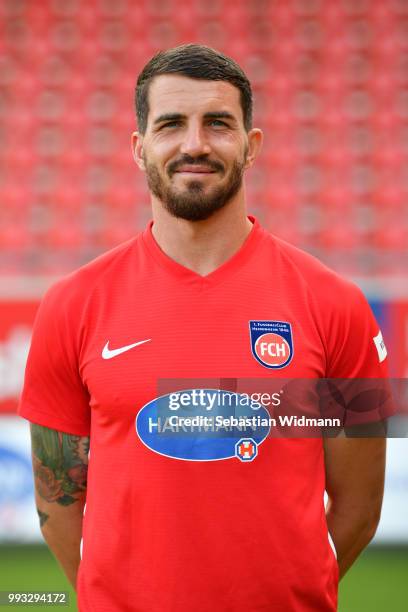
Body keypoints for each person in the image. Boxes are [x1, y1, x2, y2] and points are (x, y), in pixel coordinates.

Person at [19, 44, 389, 612]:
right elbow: (57, 502)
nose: (195, 144)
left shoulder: (336, 303)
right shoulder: (71, 304)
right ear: (139, 149)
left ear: (252, 144)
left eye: (218, 123)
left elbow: (360, 505)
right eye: (171, 125)